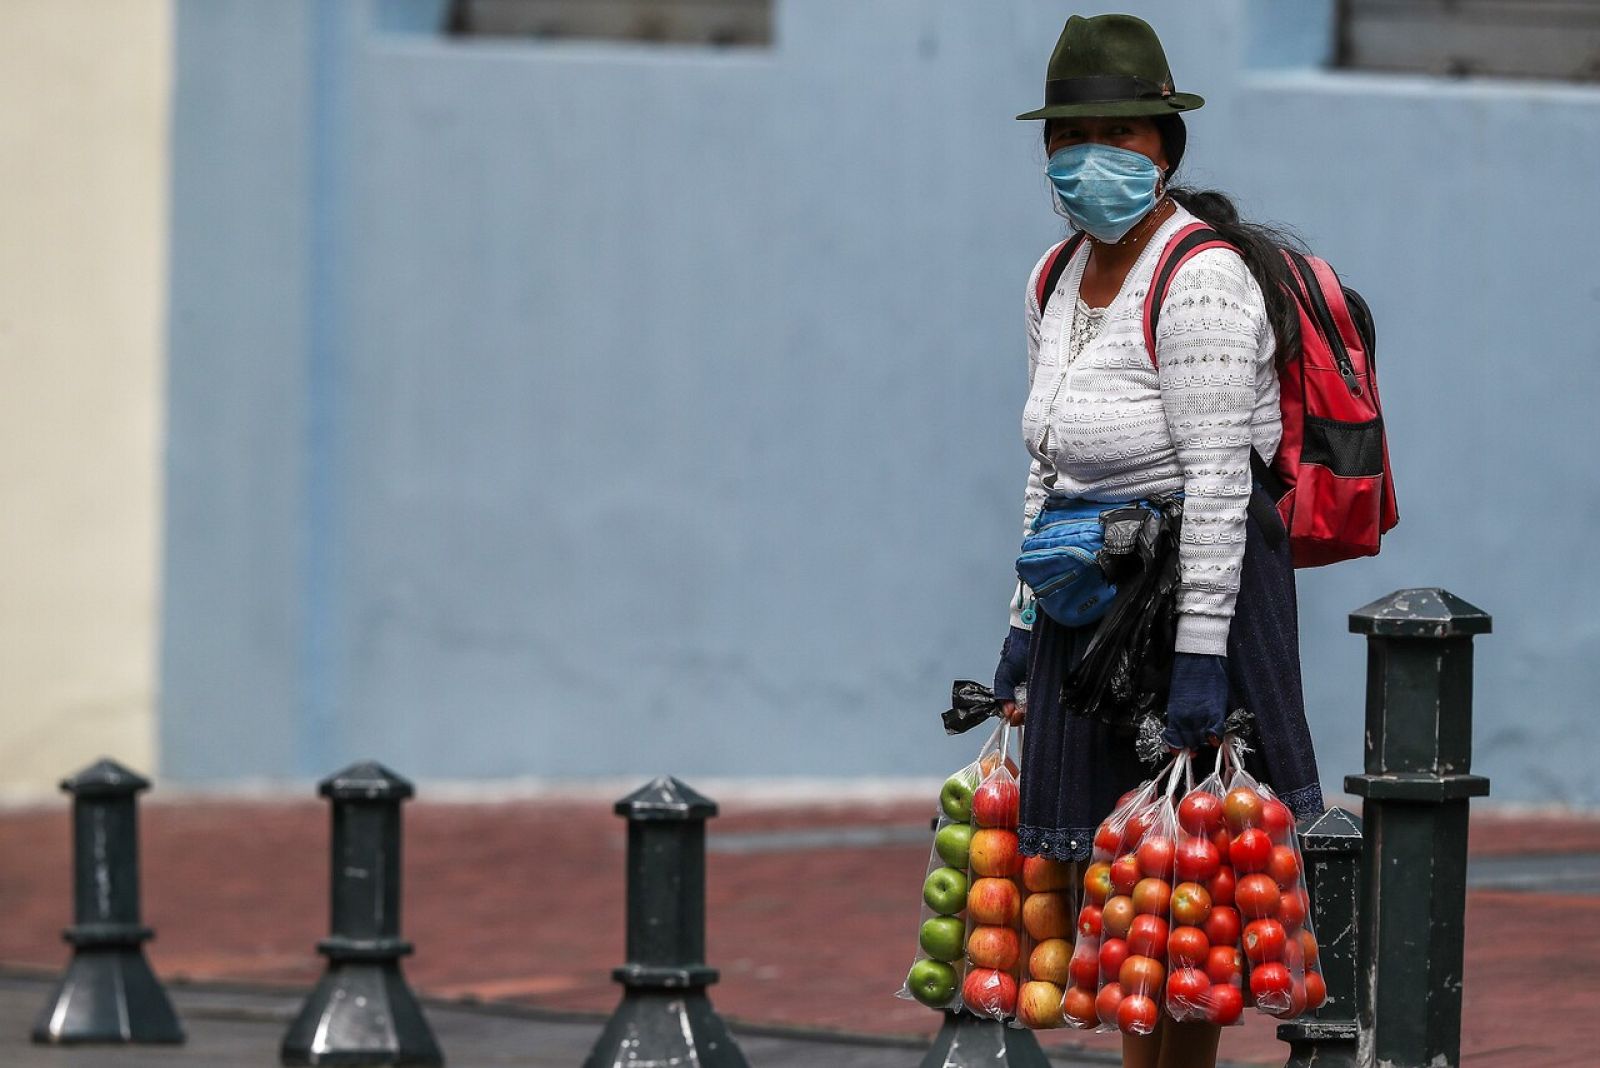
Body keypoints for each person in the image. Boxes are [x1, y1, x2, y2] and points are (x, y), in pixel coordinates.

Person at [992, 14, 1326, 1068]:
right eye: (1065, 136)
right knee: (1122, 898)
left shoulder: (1204, 279)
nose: (1086, 157)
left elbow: (1225, 485)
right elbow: (1046, 462)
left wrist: (1196, 669)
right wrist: (1018, 626)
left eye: (1116, 134)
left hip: (1191, 605)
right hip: (1086, 606)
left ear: (1164, 149)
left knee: (1192, 914)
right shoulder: (1053, 277)